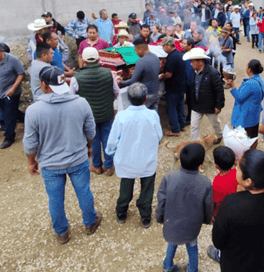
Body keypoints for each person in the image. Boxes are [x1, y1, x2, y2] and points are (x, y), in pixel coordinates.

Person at [23, 66, 101, 244]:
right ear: (63, 81)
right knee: (84, 192)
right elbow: (90, 132)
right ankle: (90, 222)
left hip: (50, 164)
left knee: (55, 199)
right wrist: (89, 148)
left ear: (43, 84)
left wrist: (31, 161)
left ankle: (62, 232)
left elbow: (30, 142)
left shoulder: (33, 111)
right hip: (77, 159)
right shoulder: (81, 103)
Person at [106, 83, 162, 227]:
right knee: (147, 189)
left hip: (126, 160)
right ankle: (145, 216)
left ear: (129, 99)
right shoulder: (152, 115)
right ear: (145, 98)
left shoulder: (121, 116)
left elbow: (112, 140)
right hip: (147, 159)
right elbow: (159, 135)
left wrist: (110, 152)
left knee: (125, 188)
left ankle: (121, 212)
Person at [156, 143, 213, 272]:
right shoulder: (205, 183)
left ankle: (168, 270)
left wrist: (160, 217)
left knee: (172, 243)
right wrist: (206, 219)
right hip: (192, 224)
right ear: (200, 165)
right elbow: (208, 205)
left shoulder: (169, 177)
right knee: (192, 245)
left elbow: (161, 200)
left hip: (172, 222)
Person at [70, 47, 119, 176]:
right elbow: (116, 92)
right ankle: (109, 165)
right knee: (108, 137)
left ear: (83, 60)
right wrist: (109, 100)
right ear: (98, 59)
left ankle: (96, 166)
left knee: (94, 139)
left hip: (88, 116)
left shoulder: (76, 78)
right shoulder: (109, 73)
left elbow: (72, 98)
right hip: (107, 112)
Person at [184, 47, 225, 143]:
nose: (190, 64)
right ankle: (195, 144)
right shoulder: (193, 73)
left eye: (192, 61)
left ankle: (219, 136)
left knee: (215, 123)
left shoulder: (213, 73)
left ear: (200, 62)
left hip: (209, 105)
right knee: (194, 126)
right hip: (196, 105)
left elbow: (219, 90)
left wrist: (218, 105)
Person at [227, 59, 264, 142]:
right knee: (252, 137)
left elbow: (239, 97)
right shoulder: (260, 80)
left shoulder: (250, 83)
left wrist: (233, 86)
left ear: (249, 69)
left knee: (242, 140)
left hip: (245, 117)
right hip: (253, 114)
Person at [118, 38, 161, 110]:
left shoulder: (141, 61)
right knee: (153, 116)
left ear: (140, 49)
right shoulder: (156, 57)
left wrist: (120, 82)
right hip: (156, 92)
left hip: (146, 95)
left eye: (135, 50)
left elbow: (132, 81)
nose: (135, 52)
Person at [160, 36, 187, 136]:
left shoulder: (172, 57)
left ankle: (175, 130)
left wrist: (161, 77)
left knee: (171, 108)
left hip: (173, 87)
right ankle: (182, 124)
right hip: (181, 85)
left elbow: (169, 74)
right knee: (180, 106)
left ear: (168, 45)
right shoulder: (177, 54)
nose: (163, 48)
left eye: (163, 46)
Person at [211, 146, 238, 221]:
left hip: (223, 211)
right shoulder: (237, 173)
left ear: (216, 166)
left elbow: (215, 201)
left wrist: (213, 214)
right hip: (235, 206)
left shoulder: (217, 181)